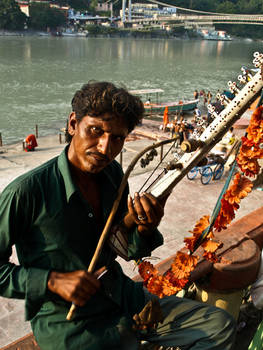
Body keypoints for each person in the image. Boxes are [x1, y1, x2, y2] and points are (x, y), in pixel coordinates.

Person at [0, 82, 236, 350]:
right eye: (95, 131)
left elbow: (121, 246)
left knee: (219, 326)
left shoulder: (112, 176)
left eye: (117, 138)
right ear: (72, 124)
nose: (105, 148)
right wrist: (52, 281)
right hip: (69, 323)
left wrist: (145, 228)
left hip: (121, 297)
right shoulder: (27, 191)